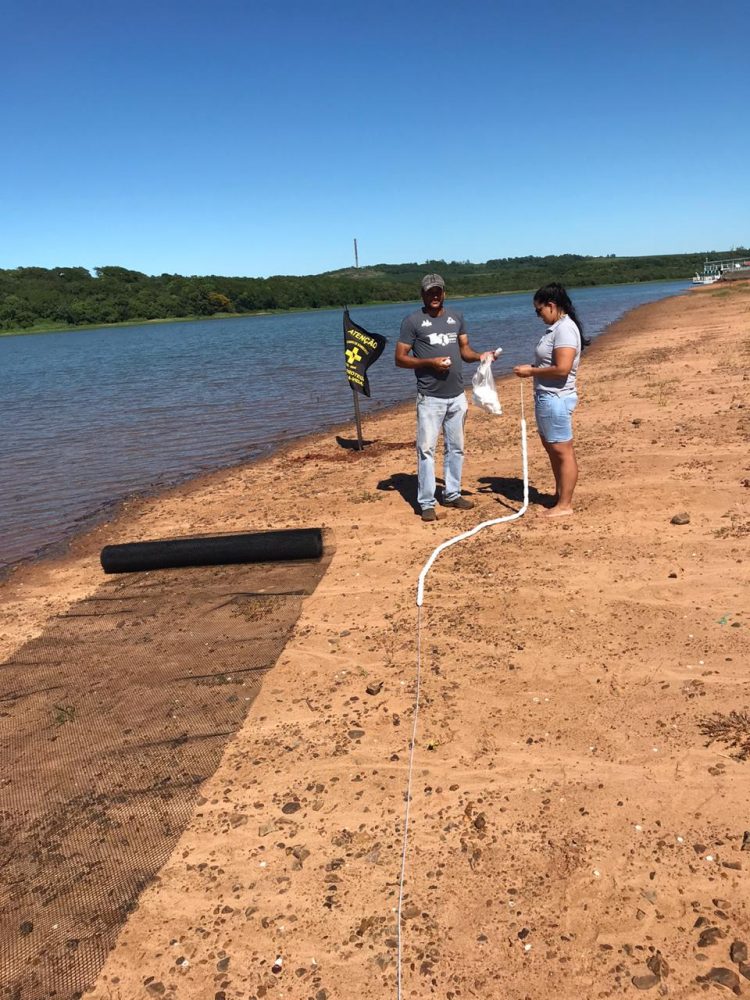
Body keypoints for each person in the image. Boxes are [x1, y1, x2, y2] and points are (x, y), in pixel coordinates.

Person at [396, 273, 494, 522]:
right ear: (423, 294)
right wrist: (429, 362)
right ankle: (426, 502)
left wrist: (482, 356)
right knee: (426, 450)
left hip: (457, 396)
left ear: (444, 293)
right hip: (430, 398)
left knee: (456, 448)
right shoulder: (412, 322)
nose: (435, 296)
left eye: (438, 291)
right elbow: (400, 358)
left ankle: (452, 494)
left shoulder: (456, 318)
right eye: (430, 292)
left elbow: (465, 350)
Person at [513, 282, 590, 517]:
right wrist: (536, 369)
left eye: (539, 311)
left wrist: (531, 371)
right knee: (553, 448)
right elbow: (552, 364)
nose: (538, 316)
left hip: (556, 398)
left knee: (562, 450)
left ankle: (565, 504)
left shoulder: (565, 329)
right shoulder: (558, 327)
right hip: (548, 396)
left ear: (551, 305)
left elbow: (563, 368)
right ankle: (560, 495)